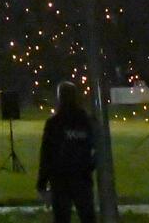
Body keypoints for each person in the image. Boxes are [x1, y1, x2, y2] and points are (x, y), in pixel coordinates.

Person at [37, 80, 97, 223]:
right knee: (87, 216)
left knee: (62, 218)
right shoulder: (85, 121)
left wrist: (41, 183)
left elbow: (46, 155)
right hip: (82, 178)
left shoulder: (54, 123)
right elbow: (96, 148)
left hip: (60, 179)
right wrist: (89, 165)